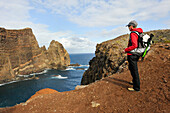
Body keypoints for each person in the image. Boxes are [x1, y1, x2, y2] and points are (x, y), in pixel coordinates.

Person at [124, 20, 143, 92]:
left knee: (134, 70)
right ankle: (134, 82)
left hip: (132, 54)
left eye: (129, 26)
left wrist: (126, 50)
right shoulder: (138, 32)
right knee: (132, 69)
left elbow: (134, 45)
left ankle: (136, 88)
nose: (128, 28)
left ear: (131, 26)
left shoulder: (133, 33)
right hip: (136, 54)